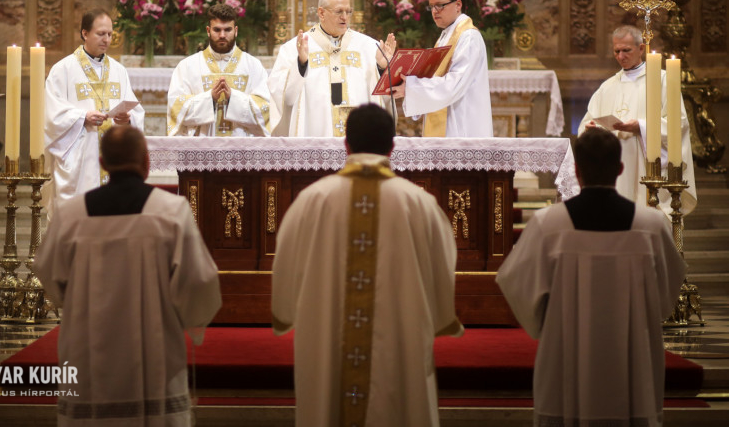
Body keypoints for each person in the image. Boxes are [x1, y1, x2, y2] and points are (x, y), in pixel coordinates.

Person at [271, 104, 463, 427]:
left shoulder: (311, 200)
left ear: (346, 144)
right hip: (399, 345)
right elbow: (442, 268)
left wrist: (286, 312)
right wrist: (440, 315)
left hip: (327, 344)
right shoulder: (419, 203)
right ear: (392, 146)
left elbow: (285, 267)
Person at [496, 128, 686, 427]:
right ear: (620, 169)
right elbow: (668, 286)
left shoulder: (549, 224)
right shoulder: (651, 225)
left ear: (576, 170)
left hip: (566, 351)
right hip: (632, 360)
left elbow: (514, 282)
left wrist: (544, 322)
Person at [35, 125, 222, 426]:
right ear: (147, 161)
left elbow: (47, 271)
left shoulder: (71, 215)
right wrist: (190, 317)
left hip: (86, 348)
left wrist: (76, 299)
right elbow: (199, 281)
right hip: (155, 355)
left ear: (102, 163)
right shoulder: (171, 211)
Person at [578, 25, 696, 216]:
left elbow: (678, 123)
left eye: (626, 50)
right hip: (615, 167)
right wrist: (591, 128)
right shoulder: (607, 87)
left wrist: (640, 127)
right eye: (616, 51)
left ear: (641, 48)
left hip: (647, 167)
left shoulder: (663, 80)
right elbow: (588, 122)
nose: (621, 56)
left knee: (645, 216)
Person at [44, 9, 145, 209]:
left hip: (114, 156)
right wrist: (82, 117)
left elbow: (135, 111)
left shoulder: (118, 70)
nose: (106, 39)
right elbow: (51, 113)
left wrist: (128, 119)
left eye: (110, 34)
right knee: (79, 213)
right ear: (85, 33)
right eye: (100, 34)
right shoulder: (63, 69)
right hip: (80, 157)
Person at [267, 0, 394, 137]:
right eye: (339, 11)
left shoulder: (369, 47)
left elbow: (384, 99)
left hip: (360, 136)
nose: (345, 17)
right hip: (315, 136)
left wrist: (382, 68)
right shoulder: (294, 48)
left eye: (348, 12)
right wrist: (301, 64)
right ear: (321, 13)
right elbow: (284, 98)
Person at [390, 0, 493, 137]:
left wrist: (412, 87)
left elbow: (454, 84)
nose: (434, 11)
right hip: (449, 124)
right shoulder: (446, 36)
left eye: (440, 5)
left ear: (458, 5)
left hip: (461, 126)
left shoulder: (469, 37)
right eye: (431, 6)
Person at [167, 3, 270, 136]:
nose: (222, 35)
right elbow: (175, 108)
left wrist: (233, 98)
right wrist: (210, 98)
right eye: (217, 30)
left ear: (236, 31)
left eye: (227, 30)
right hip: (202, 146)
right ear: (208, 31)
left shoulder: (253, 66)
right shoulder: (187, 66)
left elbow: (266, 110)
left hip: (241, 145)